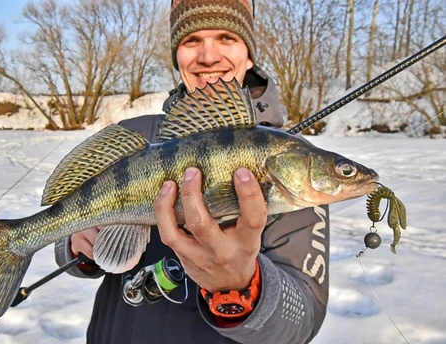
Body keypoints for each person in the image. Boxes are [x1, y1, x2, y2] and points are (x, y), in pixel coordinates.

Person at [55, 0, 330, 343]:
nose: (208, 56)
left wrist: (241, 287)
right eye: (191, 41)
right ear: (176, 54)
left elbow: (302, 320)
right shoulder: (134, 136)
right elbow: (68, 210)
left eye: (227, 37)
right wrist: (78, 243)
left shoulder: (292, 161)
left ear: (249, 53)